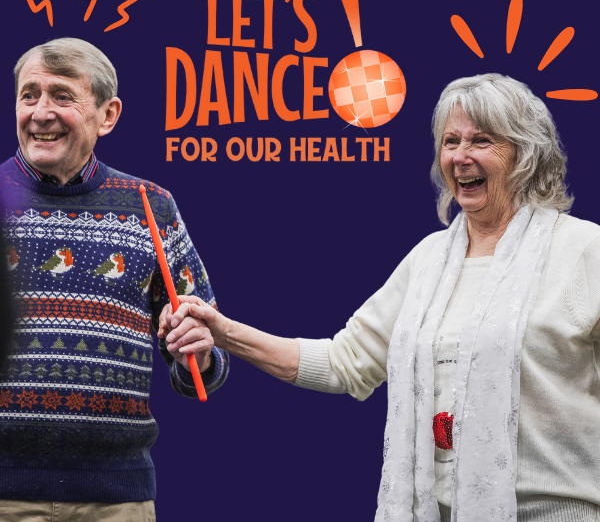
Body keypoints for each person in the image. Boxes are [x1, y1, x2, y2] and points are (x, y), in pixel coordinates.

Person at [161, 74, 600, 521]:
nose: (461, 157)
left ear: (526, 154)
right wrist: (223, 331)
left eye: (481, 141)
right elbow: (343, 362)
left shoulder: (583, 250)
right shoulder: (429, 260)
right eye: (450, 141)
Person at [0, 38, 229, 521]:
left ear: (107, 115)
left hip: (117, 497)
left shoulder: (152, 206)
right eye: (29, 95)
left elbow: (205, 356)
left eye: (62, 96)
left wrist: (200, 354)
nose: (41, 112)